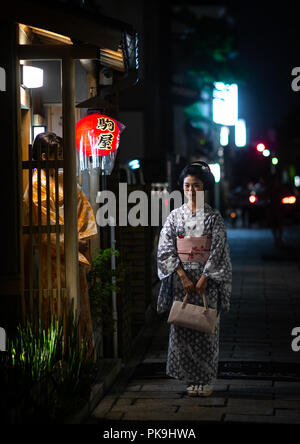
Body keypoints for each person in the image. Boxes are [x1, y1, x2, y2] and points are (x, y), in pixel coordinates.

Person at [157, 161, 232, 397]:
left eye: (196, 185)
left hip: (205, 282)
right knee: (183, 329)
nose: (191, 190)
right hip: (183, 282)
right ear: (182, 187)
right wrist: (181, 275)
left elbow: (219, 249)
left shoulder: (213, 218)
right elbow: (166, 248)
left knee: (206, 328)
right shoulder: (174, 217)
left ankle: (206, 380)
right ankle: (190, 378)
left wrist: (205, 278)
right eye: (187, 185)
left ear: (205, 187)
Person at [23, 132, 98, 349]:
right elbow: (45, 229)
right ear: (45, 157)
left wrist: (81, 239)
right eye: (58, 154)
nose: (62, 158)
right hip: (51, 257)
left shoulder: (64, 179)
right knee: (56, 305)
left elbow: (83, 208)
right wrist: (75, 243)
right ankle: (62, 359)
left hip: (72, 251)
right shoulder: (37, 186)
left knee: (76, 304)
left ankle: (80, 362)